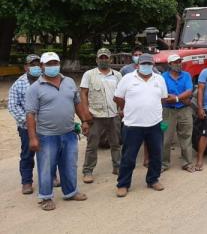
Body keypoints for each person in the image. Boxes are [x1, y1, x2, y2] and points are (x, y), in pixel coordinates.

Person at [25, 52, 91, 211]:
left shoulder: (69, 82)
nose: (52, 66)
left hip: (69, 133)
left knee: (69, 164)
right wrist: (32, 138)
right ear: (42, 66)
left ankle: (70, 192)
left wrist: (84, 121)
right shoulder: (35, 88)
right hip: (46, 135)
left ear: (59, 64)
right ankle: (46, 197)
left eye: (55, 63)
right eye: (48, 64)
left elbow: (77, 103)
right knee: (46, 166)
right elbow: (30, 114)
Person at [114, 54, 169, 197]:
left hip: (154, 124)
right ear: (137, 65)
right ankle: (123, 184)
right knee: (128, 157)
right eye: (143, 63)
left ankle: (153, 179)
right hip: (133, 124)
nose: (146, 66)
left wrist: (151, 109)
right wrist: (127, 110)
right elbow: (118, 98)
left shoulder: (159, 79)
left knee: (156, 154)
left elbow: (163, 98)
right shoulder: (127, 79)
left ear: (153, 65)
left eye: (149, 64)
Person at [80, 48, 122, 183]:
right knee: (92, 145)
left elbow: (122, 94)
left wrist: (121, 109)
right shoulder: (89, 74)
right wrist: (85, 113)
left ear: (110, 59)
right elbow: (83, 94)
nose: (104, 60)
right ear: (97, 59)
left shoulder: (117, 75)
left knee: (115, 143)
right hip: (95, 115)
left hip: (113, 115)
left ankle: (117, 166)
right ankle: (88, 170)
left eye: (106, 58)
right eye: (101, 58)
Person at [8, 54, 45, 195]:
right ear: (26, 67)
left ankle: (51, 177)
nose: (35, 67)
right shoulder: (19, 84)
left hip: (46, 125)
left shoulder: (47, 80)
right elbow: (13, 105)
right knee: (27, 154)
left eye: (38, 64)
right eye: (32, 64)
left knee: (49, 152)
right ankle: (27, 182)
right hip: (26, 127)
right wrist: (28, 121)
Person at [161, 54, 194, 173]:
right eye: (175, 62)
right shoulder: (163, 77)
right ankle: (164, 164)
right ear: (169, 64)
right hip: (167, 111)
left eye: (180, 61)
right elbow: (164, 95)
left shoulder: (186, 75)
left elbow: (189, 92)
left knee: (186, 137)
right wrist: (181, 97)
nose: (178, 64)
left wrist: (175, 98)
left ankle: (187, 163)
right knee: (165, 138)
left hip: (184, 110)